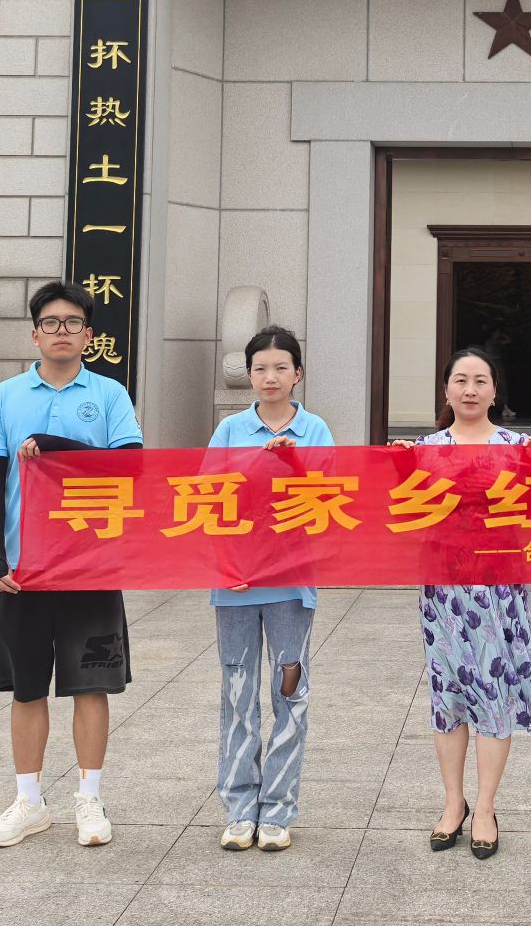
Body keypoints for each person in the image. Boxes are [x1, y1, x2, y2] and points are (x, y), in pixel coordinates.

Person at [0, 281, 144, 849]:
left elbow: (130, 467)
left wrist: (56, 444)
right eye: (51, 323)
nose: (62, 332)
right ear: (35, 335)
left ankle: (89, 798)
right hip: (23, 570)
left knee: (90, 685)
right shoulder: (4, 397)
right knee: (26, 688)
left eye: (73, 323)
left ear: (89, 335)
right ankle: (29, 801)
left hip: (91, 565)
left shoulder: (110, 395)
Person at [392, 347, 531, 860]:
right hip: (443, 588)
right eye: (460, 380)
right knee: (449, 695)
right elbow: (401, 512)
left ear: (495, 391)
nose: (470, 389)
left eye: (481, 380)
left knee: (494, 691)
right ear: (446, 390)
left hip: (499, 588)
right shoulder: (424, 449)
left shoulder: (518, 447)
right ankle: (451, 804)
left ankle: (485, 807)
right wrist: (396, 468)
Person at [207, 325, 332, 854]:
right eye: (260, 368)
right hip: (235, 584)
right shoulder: (229, 429)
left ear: (297, 374)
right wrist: (225, 563)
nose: (270, 376)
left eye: (281, 367)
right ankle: (240, 809)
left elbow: (330, 502)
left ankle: (278, 809)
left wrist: (290, 462)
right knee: (237, 697)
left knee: (289, 694)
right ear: (249, 375)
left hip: (291, 585)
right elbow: (206, 502)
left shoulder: (315, 430)